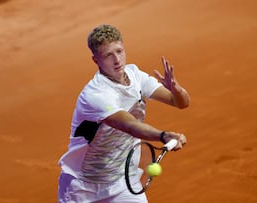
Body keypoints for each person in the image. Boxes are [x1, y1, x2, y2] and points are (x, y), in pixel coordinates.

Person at [58, 24, 190, 203]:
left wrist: (177, 90)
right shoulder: (95, 95)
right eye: (108, 55)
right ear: (95, 60)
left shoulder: (135, 76)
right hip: (84, 189)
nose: (117, 60)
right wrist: (163, 135)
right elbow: (130, 125)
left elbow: (180, 103)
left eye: (119, 51)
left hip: (124, 182)